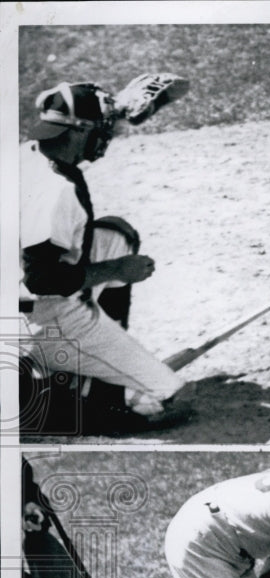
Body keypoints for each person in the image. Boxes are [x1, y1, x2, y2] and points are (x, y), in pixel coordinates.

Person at [20, 81, 193, 433]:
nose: (106, 137)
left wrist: (121, 110)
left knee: (117, 235)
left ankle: (100, 355)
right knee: (169, 399)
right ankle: (41, 399)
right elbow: (41, 280)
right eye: (101, 130)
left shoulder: (28, 154)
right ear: (79, 132)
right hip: (43, 319)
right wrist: (117, 269)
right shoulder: (56, 192)